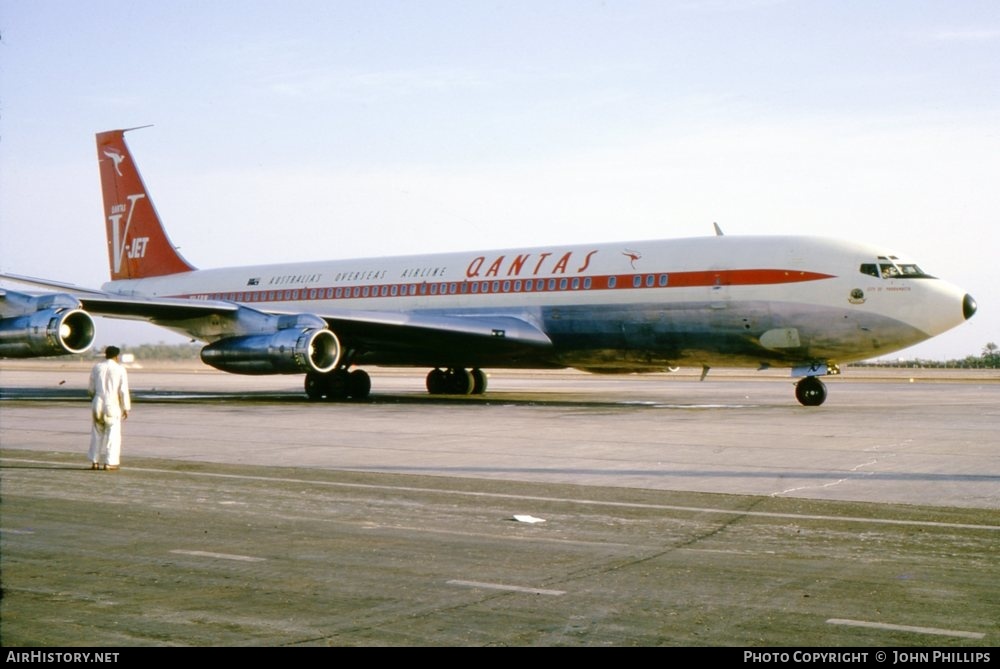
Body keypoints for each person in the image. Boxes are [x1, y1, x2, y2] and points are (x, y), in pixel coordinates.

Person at [88, 346, 131, 471]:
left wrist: (94, 400)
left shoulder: (97, 367)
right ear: (116, 356)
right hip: (111, 403)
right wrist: (126, 408)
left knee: (96, 433)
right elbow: (123, 390)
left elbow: (91, 389)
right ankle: (110, 463)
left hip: (98, 401)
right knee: (113, 434)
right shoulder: (120, 369)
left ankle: (94, 462)